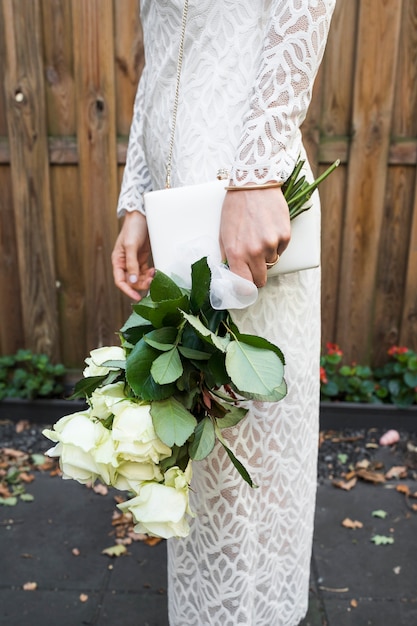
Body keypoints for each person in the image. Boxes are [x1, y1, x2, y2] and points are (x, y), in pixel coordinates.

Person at [112, 2, 336, 624]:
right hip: (175, 190)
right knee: (196, 453)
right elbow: (162, 50)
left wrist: (257, 174)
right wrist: (137, 201)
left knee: (250, 450)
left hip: (238, 183)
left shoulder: (251, 180)